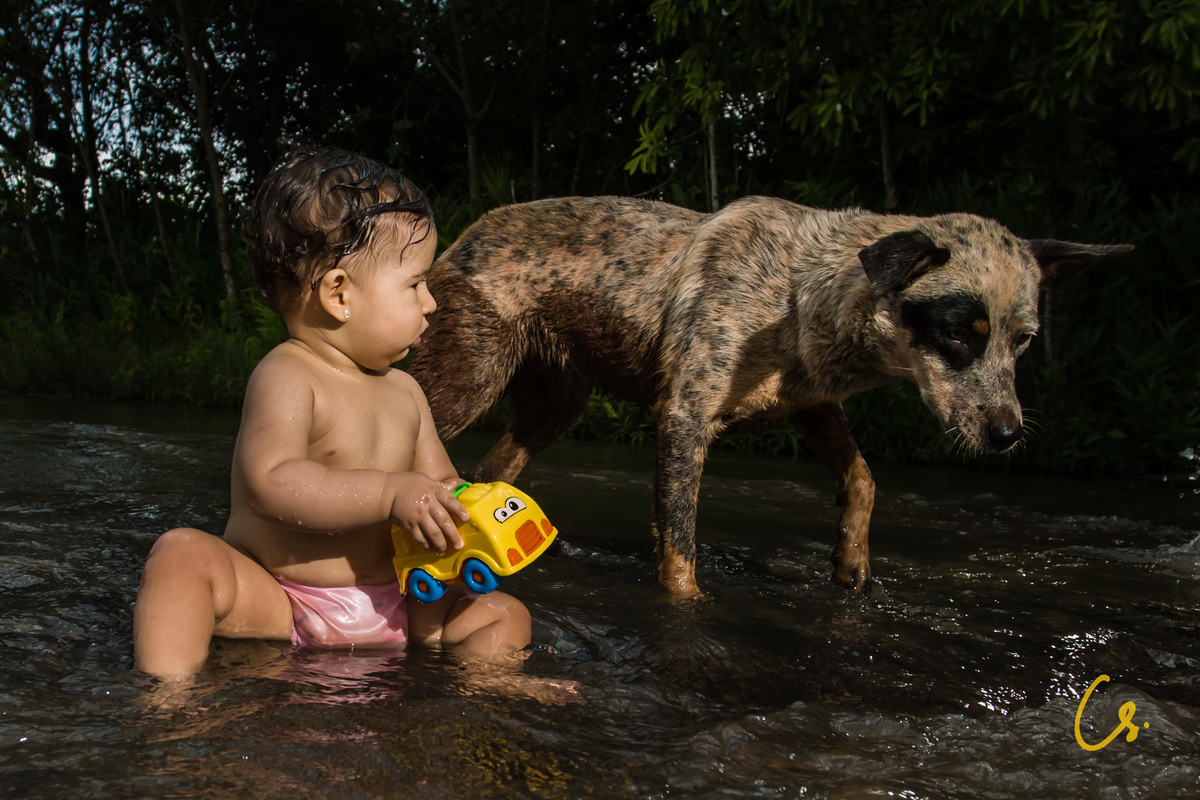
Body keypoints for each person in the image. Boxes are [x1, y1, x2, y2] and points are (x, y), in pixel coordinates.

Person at [133, 147, 532, 678]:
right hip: (281, 599)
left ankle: (485, 690)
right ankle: (168, 702)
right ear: (339, 294)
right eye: (415, 284)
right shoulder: (288, 374)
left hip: (398, 604)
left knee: (506, 616)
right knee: (181, 555)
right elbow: (271, 481)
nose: (431, 302)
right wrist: (391, 493)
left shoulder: (407, 391)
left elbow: (439, 482)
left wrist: (466, 513)